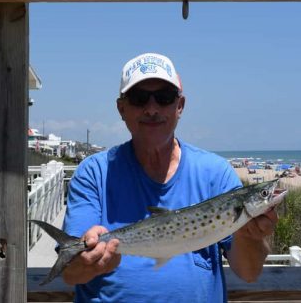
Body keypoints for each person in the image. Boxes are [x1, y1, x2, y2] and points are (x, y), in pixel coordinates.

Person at [62, 52, 279, 302]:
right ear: (121, 108)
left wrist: (249, 235)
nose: (152, 109)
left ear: (180, 106)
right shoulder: (94, 173)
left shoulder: (216, 173)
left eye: (164, 98)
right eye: (139, 98)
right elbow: (71, 273)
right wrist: (89, 262)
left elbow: (249, 273)